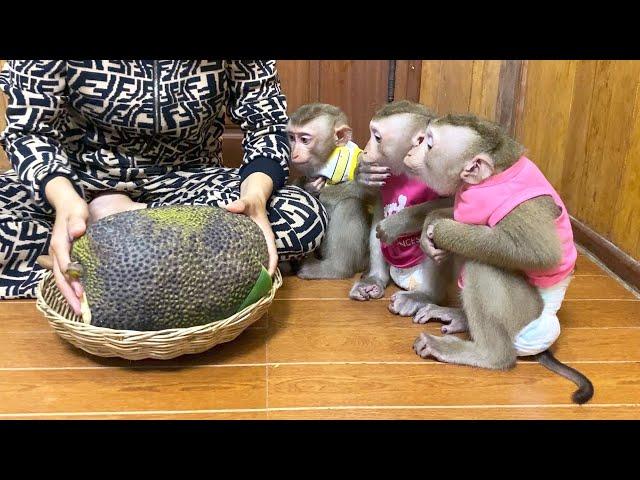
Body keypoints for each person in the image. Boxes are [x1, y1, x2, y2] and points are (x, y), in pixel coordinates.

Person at [0, 60, 327, 314]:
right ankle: (139, 261)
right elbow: (30, 131)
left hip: (185, 188)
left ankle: (102, 257)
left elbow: (266, 122)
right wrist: (66, 202)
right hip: (77, 186)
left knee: (302, 216)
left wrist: (254, 196)